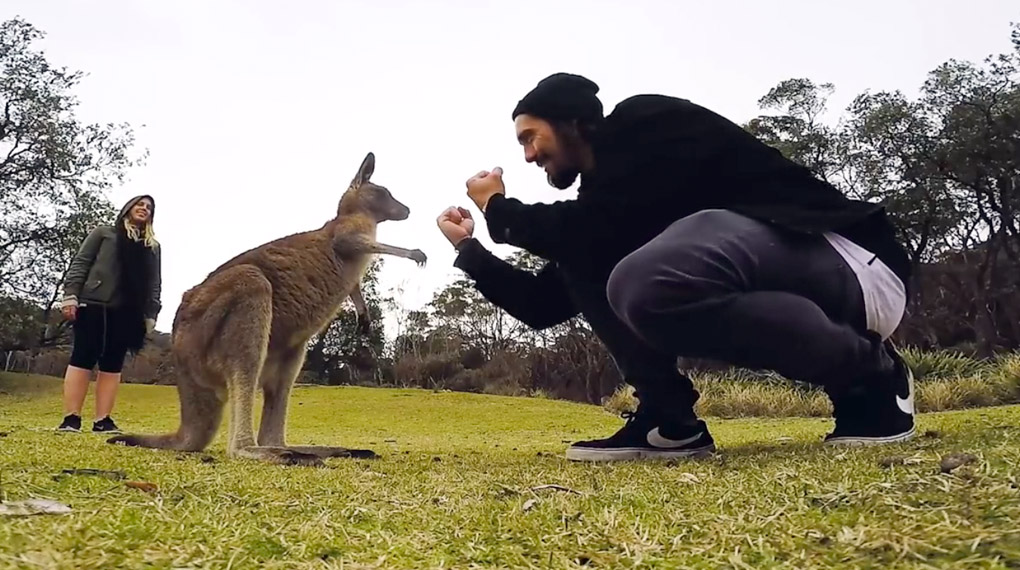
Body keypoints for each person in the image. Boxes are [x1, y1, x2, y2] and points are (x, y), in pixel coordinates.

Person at [437, 72, 914, 462]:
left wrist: (498, 208)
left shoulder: (647, 123)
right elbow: (544, 303)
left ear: (572, 122)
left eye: (531, 137)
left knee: (634, 269)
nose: (528, 156)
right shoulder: (604, 208)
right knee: (600, 260)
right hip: (800, 284)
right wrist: (471, 252)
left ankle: (873, 378)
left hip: (852, 265)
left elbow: (598, 226)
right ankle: (670, 422)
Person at [55, 195, 162, 433]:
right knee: (82, 357)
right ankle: (71, 418)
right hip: (93, 303)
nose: (144, 209)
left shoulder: (152, 247)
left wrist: (150, 313)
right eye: (140, 205)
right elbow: (80, 263)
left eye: (149, 208)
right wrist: (70, 294)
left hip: (127, 311)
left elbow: (154, 283)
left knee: (112, 364)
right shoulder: (104, 234)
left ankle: (103, 420)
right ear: (128, 209)